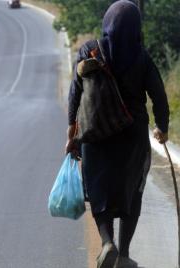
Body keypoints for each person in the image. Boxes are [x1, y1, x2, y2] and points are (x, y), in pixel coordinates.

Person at [65, 1, 170, 267]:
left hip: (95, 135)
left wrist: (71, 130)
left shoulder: (90, 50)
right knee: (132, 191)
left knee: (99, 189)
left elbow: (75, 92)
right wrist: (162, 127)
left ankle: (106, 242)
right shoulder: (141, 57)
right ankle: (123, 254)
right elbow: (159, 95)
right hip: (132, 137)